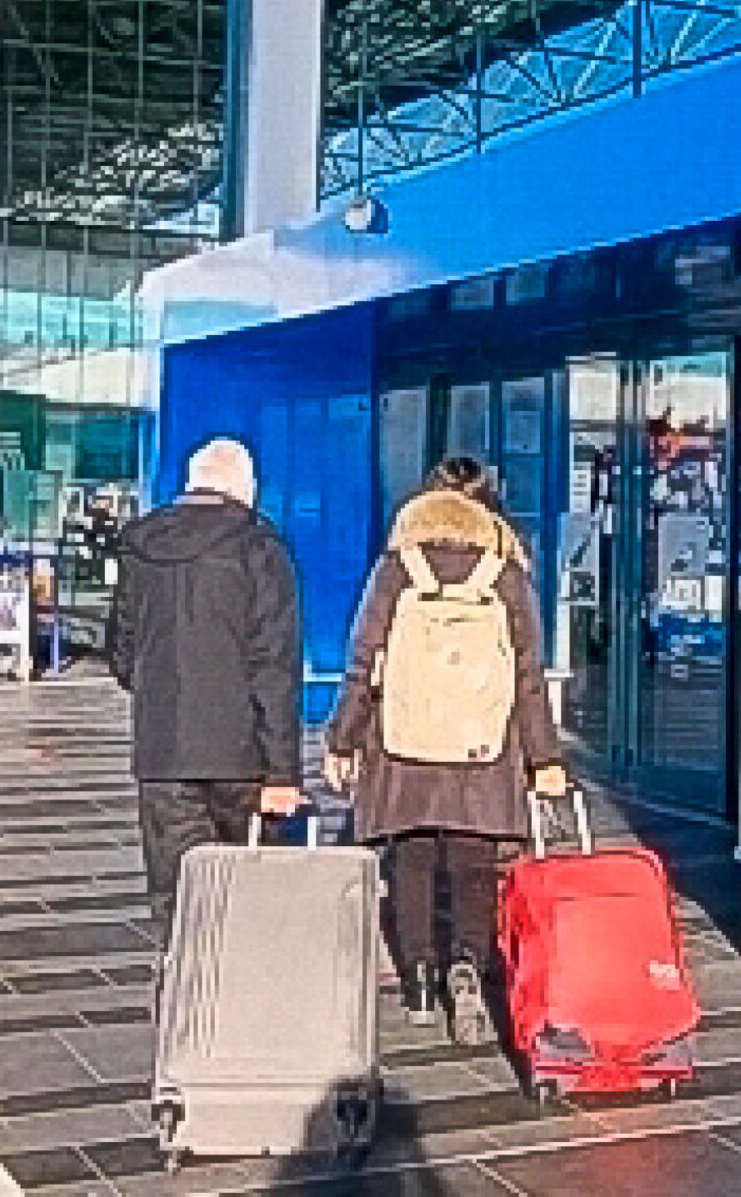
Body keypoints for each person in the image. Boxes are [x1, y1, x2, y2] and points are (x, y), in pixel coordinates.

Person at [325, 456, 566, 1045]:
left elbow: (365, 661)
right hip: (484, 750)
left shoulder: (398, 569)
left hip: (403, 746)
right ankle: (467, 965)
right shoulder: (505, 574)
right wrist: (545, 759)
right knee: (472, 863)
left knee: (410, 860)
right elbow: (528, 676)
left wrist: (342, 738)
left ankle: (419, 982)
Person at [107, 437, 303, 963]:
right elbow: (273, 665)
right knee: (249, 888)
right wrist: (283, 773)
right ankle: (238, 989)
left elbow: (122, 651)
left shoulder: (140, 545)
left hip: (163, 749)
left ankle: (179, 985)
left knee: (174, 893)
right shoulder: (259, 548)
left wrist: (158, 692)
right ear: (245, 487)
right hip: (242, 756)